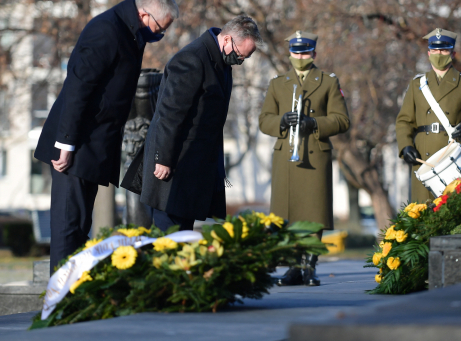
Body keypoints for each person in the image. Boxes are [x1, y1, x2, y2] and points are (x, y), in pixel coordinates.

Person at [34, 0, 179, 274]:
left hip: (92, 145)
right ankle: (59, 302)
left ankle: (73, 293)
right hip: (75, 145)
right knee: (68, 225)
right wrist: (66, 144)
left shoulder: (129, 30)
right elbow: (79, 86)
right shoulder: (106, 30)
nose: (160, 35)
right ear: (143, 14)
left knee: (80, 226)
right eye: (160, 27)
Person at [140, 15, 262, 231]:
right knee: (168, 238)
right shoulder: (192, 59)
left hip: (193, 169)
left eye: (244, 58)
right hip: (172, 166)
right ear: (227, 40)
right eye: (239, 55)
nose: (240, 61)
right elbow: (171, 114)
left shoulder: (221, 61)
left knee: (183, 237)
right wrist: (163, 158)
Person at [258, 31, 350, 286]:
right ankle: (293, 268)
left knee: (313, 211)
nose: (300, 56)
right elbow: (264, 120)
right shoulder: (278, 83)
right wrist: (281, 121)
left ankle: (309, 266)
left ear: (314, 54)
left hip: (314, 154)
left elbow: (342, 120)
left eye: (305, 52)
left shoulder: (329, 81)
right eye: (296, 52)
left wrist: (314, 123)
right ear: (289, 54)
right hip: (286, 155)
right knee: (288, 212)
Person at [395, 28, 461, 204]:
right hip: (422, 160)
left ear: (453, 53)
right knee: (422, 216)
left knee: (454, 213)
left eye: (444, 50)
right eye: (434, 50)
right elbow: (404, 121)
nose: (439, 54)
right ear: (428, 53)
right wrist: (405, 146)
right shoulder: (416, 84)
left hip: (452, 157)